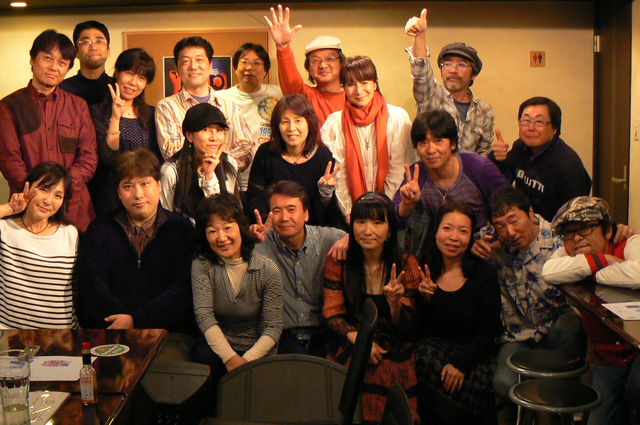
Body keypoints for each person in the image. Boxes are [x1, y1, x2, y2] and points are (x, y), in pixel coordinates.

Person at [77, 149, 196, 360]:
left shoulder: (181, 230)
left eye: (145, 183)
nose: (138, 194)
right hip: (112, 329)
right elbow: (93, 286)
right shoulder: (100, 229)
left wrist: (137, 319)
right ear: (118, 192)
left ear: (159, 185)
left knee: (163, 369)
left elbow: (182, 291)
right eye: (128, 186)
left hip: (168, 333)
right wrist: (123, 322)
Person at [471, 187, 586, 400]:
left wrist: (621, 233)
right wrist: (474, 250)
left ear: (531, 213)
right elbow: (465, 240)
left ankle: (563, 392)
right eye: (500, 226)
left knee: (571, 322)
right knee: (503, 385)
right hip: (518, 334)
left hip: (555, 330)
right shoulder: (491, 241)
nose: (510, 232)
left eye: (514, 220)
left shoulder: (559, 242)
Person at [323, 192, 424, 423]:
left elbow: (409, 327)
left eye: (377, 223)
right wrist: (361, 341)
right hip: (354, 336)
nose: (367, 230)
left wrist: (395, 305)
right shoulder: (340, 260)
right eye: (361, 222)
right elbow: (332, 313)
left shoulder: (406, 264)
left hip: (395, 341)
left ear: (389, 231)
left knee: (388, 374)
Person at [542, 196, 640, 425]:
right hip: (607, 357)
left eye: (586, 228)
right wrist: (602, 259)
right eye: (569, 232)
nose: (577, 237)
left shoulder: (629, 242)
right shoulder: (570, 253)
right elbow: (549, 271)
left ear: (608, 230)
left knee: (636, 390)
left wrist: (591, 272)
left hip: (637, 350)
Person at [0, 29, 97, 231]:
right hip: (27, 209)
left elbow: (88, 157)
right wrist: (38, 194)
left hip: (74, 208)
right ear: (32, 59)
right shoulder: (9, 106)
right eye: (47, 58)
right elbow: (9, 159)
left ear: (68, 68)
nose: (54, 67)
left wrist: (61, 190)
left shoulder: (78, 106)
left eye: (62, 62)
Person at [414, 202, 501, 425]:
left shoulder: (484, 274)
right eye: (447, 228)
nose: (454, 237)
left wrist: (461, 364)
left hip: (474, 354)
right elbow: (419, 328)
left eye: (463, 231)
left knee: (465, 390)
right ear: (436, 230)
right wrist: (423, 299)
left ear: (471, 236)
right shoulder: (424, 269)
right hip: (435, 353)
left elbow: (490, 328)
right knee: (424, 362)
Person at [191, 193, 283, 393]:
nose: (221, 238)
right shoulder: (202, 265)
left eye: (227, 228)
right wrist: (230, 358)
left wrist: (245, 361)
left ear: (241, 228)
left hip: (257, 345)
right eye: (212, 231)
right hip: (219, 346)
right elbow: (204, 315)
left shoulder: (267, 268)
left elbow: (273, 327)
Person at [395, 110, 509, 254]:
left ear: (453, 144)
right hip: (441, 250)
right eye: (423, 143)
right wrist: (406, 206)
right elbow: (393, 221)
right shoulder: (416, 174)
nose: (431, 150)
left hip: (483, 246)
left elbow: (510, 207)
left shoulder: (478, 167)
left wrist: (495, 241)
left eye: (438, 141)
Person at [253, 180, 345, 356]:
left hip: (325, 333)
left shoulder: (329, 239)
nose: (284, 217)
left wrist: (349, 240)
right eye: (276, 211)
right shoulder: (261, 243)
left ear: (306, 214)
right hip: (282, 338)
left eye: (291, 209)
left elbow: (361, 237)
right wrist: (250, 239)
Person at [321, 56, 413, 220]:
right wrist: (349, 211)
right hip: (351, 214)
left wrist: (384, 209)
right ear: (344, 87)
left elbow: (399, 168)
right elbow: (339, 172)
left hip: (391, 209)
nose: (358, 90)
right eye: (351, 84)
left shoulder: (398, 117)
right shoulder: (334, 123)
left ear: (375, 84)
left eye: (364, 82)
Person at [404, 8, 494, 155]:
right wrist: (419, 35)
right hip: (431, 168)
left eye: (462, 65)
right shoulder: (431, 95)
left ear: (473, 74)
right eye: (447, 64)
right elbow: (421, 71)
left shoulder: (484, 110)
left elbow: (484, 151)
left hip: (467, 170)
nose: (453, 70)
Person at [0, 162, 78, 329]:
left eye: (58, 196)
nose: (48, 201)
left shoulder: (71, 234)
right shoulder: (5, 229)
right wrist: (9, 208)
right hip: (10, 334)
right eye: (44, 189)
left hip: (61, 335)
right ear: (27, 187)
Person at [155, 36, 252, 168]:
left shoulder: (229, 106)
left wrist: (216, 164)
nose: (193, 66)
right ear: (177, 68)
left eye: (199, 60)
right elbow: (171, 151)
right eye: (186, 61)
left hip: (225, 179)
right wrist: (214, 159)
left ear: (210, 66)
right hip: (186, 180)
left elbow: (246, 149)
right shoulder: (167, 107)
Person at [491, 96, 592, 222]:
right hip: (523, 222)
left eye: (539, 122)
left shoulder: (569, 166)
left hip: (553, 229)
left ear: (555, 128)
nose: (531, 128)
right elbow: (500, 182)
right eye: (525, 121)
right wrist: (496, 158)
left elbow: (573, 219)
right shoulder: (520, 146)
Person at [247, 94, 340, 226]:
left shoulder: (323, 156)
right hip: (274, 227)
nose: (291, 128)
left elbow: (330, 213)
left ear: (309, 123)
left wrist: (326, 193)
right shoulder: (266, 152)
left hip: (313, 230)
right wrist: (270, 224)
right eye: (285, 122)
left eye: (298, 121)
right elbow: (254, 197)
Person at [91, 48, 161, 216]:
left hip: (145, 196)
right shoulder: (97, 111)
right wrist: (115, 118)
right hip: (111, 195)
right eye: (129, 73)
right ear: (117, 72)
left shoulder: (151, 114)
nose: (133, 82)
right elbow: (109, 157)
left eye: (141, 78)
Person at [217, 42, 282, 191]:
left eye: (256, 63)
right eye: (244, 62)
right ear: (235, 68)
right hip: (232, 177)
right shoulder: (221, 98)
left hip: (270, 176)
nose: (249, 67)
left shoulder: (278, 94)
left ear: (265, 70)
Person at [264, 5, 345, 124]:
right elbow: (291, 82)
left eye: (330, 59)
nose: (323, 65)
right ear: (309, 68)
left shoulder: (355, 95)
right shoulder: (305, 97)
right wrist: (283, 47)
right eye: (315, 60)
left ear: (342, 63)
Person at [161, 103, 239, 220]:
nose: (214, 138)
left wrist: (209, 176)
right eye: (206, 130)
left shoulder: (230, 163)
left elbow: (225, 213)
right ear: (189, 136)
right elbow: (164, 216)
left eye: (219, 130)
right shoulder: (171, 170)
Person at [60, 20, 114, 106]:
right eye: (86, 42)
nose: (93, 47)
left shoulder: (118, 88)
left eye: (99, 41)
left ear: (108, 51)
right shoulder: (62, 90)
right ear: (76, 52)